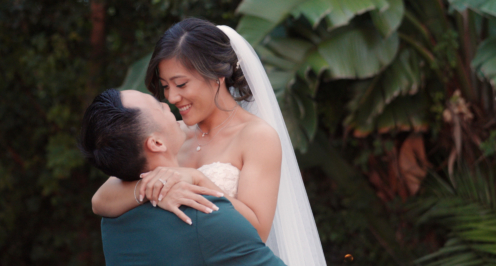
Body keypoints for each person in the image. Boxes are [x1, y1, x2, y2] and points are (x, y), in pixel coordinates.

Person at [92, 18, 326, 265]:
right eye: (165, 86)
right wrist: (149, 192)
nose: (172, 97)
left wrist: (198, 180)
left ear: (217, 74)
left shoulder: (256, 136)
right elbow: (100, 200)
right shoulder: (171, 134)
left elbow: (256, 233)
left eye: (181, 84)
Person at [79, 88, 286, 265]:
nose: (169, 103)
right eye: (159, 107)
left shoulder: (112, 219)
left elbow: (98, 201)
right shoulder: (205, 214)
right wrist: (197, 179)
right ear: (157, 144)